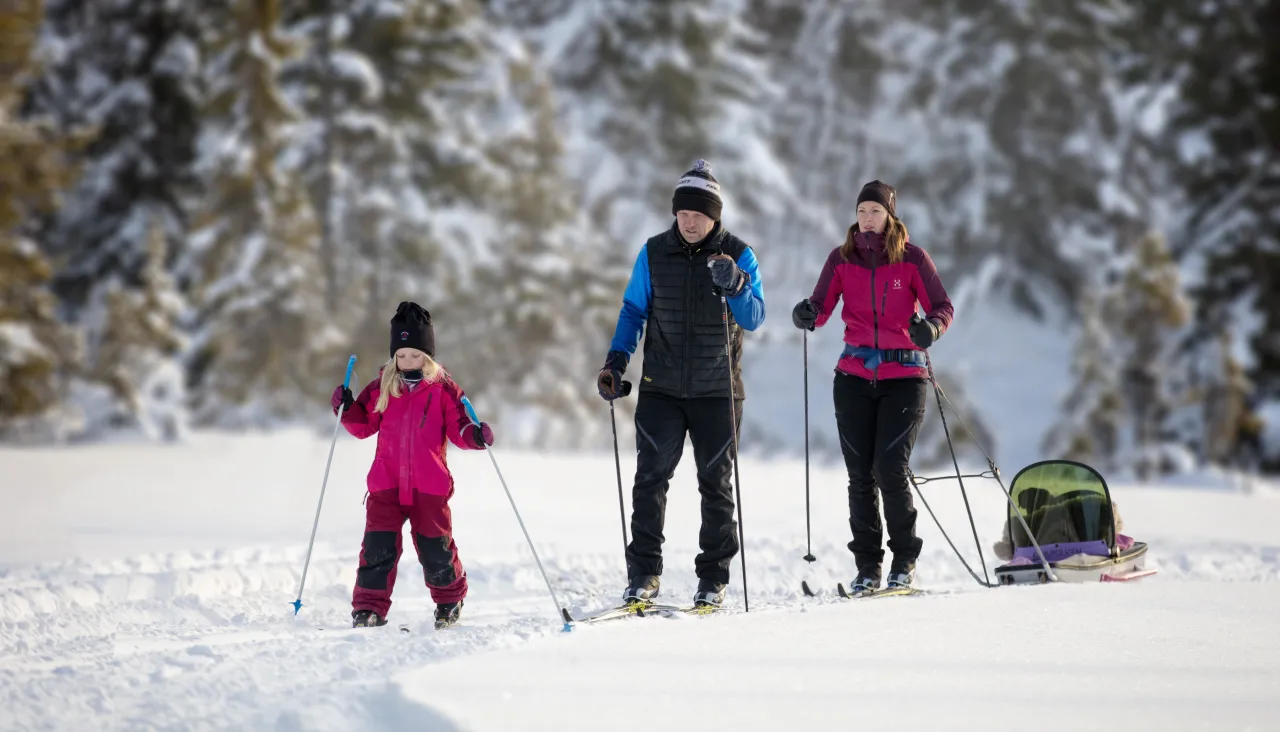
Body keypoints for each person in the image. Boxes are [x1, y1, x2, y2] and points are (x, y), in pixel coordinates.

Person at [597, 159, 766, 607]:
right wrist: (616, 360)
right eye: (683, 214)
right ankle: (644, 575)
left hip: (718, 392)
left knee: (716, 484)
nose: (689, 222)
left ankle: (713, 578)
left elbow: (755, 317)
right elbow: (633, 311)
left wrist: (736, 284)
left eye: (699, 215)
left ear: (715, 216)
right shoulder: (653, 253)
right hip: (661, 389)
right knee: (650, 481)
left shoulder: (739, 254)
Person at [791, 180, 953, 593]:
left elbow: (942, 307)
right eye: (862, 211)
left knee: (889, 468)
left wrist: (930, 329)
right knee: (860, 476)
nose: (867, 218)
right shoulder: (842, 259)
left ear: (890, 215)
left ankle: (904, 559)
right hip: (853, 378)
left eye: (875, 211)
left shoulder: (913, 259)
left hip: (905, 378)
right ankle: (867, 566)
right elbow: (822, 307)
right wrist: (807, 313)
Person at [330, 301, 494, 628]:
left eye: (415, 355)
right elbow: (363, 425)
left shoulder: (444, 390)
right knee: (377, 550)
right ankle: (369, 608)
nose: (407, 362)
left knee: (436, 550)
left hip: (428, 487)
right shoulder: (382, 386)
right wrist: (346, 409)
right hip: (386, 484)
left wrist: (474, 435)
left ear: (428, 356)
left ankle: (450, 600)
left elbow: (459, 428)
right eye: (401, 355)